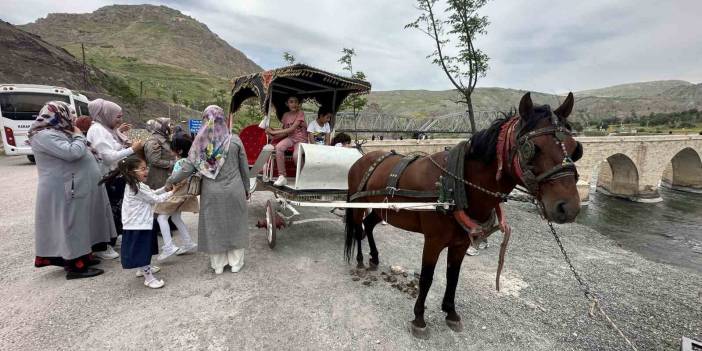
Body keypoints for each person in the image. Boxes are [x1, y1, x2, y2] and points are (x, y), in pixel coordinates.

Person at [29, 101, 116, 280]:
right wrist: (78, 135)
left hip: (74, 187)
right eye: (69, 113)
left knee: (80, 224)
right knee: (71, 225)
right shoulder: (43, 136)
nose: (73, 117)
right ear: (58, 115)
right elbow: (72, 153)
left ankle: (84, 256)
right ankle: (75, 266)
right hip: (65, 189)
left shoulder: (59, 132)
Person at [167, 105, 250, 275]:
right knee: (235, 224)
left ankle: (218, 265)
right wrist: (246, 188)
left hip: (212, 192)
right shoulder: (234, 140)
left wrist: (170, 180)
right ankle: (235, 263)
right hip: (234, 189)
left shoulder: (200, 143)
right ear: (222, 119)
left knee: (214, 225)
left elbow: (187, 168)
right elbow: (244, 168)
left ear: (206, 120)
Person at [101, 156, 173, 289]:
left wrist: (165, 189)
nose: (147, 171)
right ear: (131, 171)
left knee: (143, 250)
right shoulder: (137, 187)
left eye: (146, 168)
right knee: (143, 252)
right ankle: (149, 278)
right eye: (143, 169)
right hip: (139, 225)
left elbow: (151, 193)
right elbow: (155, 199)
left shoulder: (135, 185)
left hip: (139, 223)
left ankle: (142, 269)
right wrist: (173, 192)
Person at [87, 99, 145, 260]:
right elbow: (108, 157)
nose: (119, 120)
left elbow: (115, 146)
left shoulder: (105, 129)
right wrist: (132, 149)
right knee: (110, 210)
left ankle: (115, 237)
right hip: (107, 177)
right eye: (117, 117)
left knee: (116, 209)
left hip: (114, 176)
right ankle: (105, 244)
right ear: (105, 115)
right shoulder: (97, 130)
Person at [154, 134, 199, 260]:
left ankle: (168, 247)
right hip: (184, 194)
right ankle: (188, 243)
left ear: (179, 150)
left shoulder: (180, 163)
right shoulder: (190, 161)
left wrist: (160, 191)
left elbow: (174, 180)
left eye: (172, 149)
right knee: (176, 218)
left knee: (162, 218)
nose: (170, 151)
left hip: (176, 195)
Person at [265, 95, 307, 186]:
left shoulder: (300, 113)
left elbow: (292, 129)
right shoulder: (285, 115)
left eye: (296, 102)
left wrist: (274, 132)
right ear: (287, 104)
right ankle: (282, 176)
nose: (294, 104)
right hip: (291, 138)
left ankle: (303, 176)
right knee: (279, 147)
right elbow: (285, 132)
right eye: (291, 102)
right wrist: (272, 134)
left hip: (301, 139)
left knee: (296, 155)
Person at [144, 118, 176, 189]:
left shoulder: (164, 139)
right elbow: (154, 160)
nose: (172, 127)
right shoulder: (154, 141)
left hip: (164, 176)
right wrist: (172, 163)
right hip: (158, 179)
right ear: (161, 127)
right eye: (169, 125)